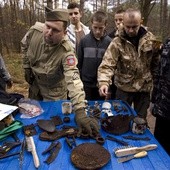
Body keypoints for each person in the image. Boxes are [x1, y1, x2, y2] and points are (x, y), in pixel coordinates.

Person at [21, 7, 99, 136]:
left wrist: (80, 111)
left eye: (55, 30)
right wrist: (26, 66)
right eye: (48, 26)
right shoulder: (35, 31)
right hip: (35, 87)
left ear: (64, 33)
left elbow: (74, 81)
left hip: (54, 93)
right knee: (33, 122)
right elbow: (24, 45)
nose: (49, 32)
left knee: (53, 126)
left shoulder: (67, 52)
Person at [97, 8, 160, 119]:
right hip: (124, 88)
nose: (130, 30)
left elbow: (156, 64)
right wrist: (103, 82)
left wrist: (157, 87)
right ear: (123, 24)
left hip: (143, 88)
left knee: (140, 121)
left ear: (141, 22)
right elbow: (107, 64)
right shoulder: (117, 42)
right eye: (127, 27)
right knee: (120, 118)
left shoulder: (151, 40)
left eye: (134, 27)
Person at [77, 10, 112, 100]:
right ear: (91, 24)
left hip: (101, 84)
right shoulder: (84, 41)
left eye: (100, 28)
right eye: (95, 27)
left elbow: (111, 65)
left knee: (99, 108)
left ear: (105, 25)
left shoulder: (109, 42)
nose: (97, 31)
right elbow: (79, 63)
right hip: (86, 84)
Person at [148, 37, 170, 155]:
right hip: (162, 108)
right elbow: (159, 75)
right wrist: (153, 100)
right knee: (159, 148)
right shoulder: (167, 44)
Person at [108, 9, 125, 99]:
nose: (118, 22)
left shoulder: (132, 34)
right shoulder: (109, 36)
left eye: (121, 20)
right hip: (113, 77)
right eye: (116, 20)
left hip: (126, 79)